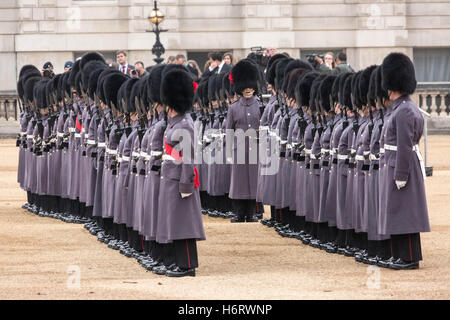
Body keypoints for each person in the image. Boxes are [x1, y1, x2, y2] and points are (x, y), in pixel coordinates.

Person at [377, 52, 430, 270]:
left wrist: (401, 174)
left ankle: (408, 257)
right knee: (397, 212)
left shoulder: (404, 110)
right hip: (394, 163)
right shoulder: (400, 108)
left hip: (401, 166)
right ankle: (399, 254)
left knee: (405, 213)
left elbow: (405, 145)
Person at [157, 68, 206, 277]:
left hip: (179, 179)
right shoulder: (173, 122)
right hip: (170, 177)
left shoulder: (185, 124)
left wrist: (186, 183)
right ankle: (177, 262)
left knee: (184, 224)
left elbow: (188, 157)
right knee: (174, 222)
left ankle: (187, 265)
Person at [226, 59, 262, 222]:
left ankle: (252, 212)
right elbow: (229, 130)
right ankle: (239, 212)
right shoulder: (233, 108)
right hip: (238, 148)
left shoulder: (261, 106)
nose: (248, 90)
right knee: (239, 181)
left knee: (254, 180)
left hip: (255, 147)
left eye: (250, 87)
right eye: (245, 87)